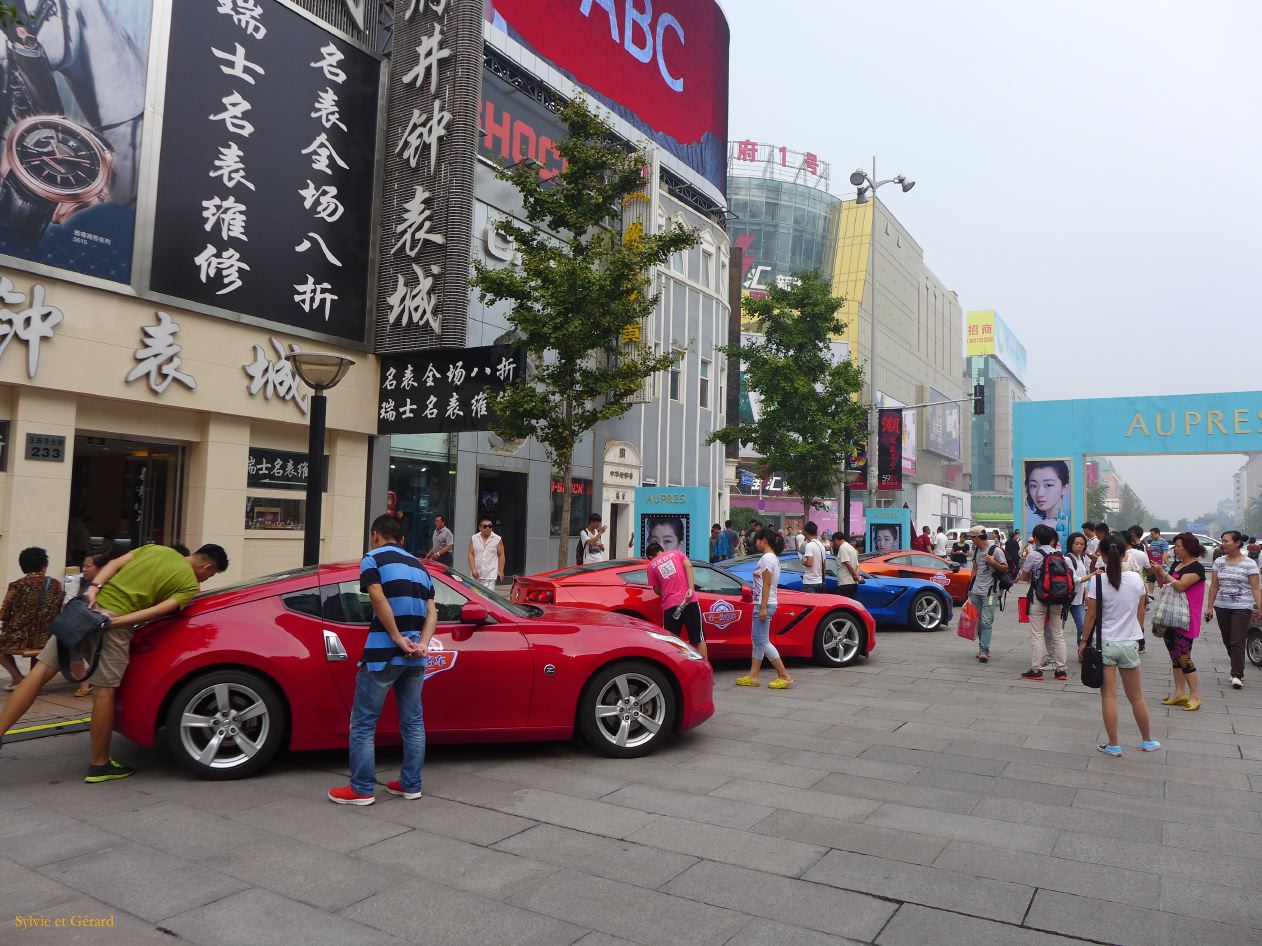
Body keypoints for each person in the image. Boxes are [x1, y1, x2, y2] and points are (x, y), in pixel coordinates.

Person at [0, 543, 228, 781]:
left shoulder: (155, 549)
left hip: (84, 611)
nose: (206, 578)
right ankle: (99, 764)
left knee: (39, 674)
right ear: (207, 566)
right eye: (210, 574)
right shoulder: (189, 585)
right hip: (112, 629)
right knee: (104, 693)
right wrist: (117, 623)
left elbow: (113, 564)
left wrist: (91, 591)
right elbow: (159, 611)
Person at [328, 515, 437, 805]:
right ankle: (410, 784)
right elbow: (432, 612)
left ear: (375, 535)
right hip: (415, 657)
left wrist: (397, 637)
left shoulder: (372, 558)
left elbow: (376, 598)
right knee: (413, 723)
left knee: (363, 723)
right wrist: (422, 644)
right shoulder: (420, 567)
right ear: (402, 540)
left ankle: (361, 789)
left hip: (382, 654)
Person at [1082, 535, 1160, 757]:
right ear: (1126, 554)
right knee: (1137, 697)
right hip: (1129, 642)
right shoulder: (1137, 580)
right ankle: (1147, 741)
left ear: (1102, 556)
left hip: (1105, 643)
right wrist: (1138, 636)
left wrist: (1083, 641)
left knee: (1109, 696)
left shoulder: (1096, 581)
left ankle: (1114, 744)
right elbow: (1140, 612)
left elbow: (1091, 616)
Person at [1151, 533, 1206, 712]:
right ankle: (1179, 692)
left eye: (1179, 546)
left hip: (1186, 618)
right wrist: (1160, 573)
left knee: (1184, 657)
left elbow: (1181, 585)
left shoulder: (1196, 568)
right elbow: (1167, 585)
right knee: (1175, 657)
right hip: (1171, 617)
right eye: (1175, 546)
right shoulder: (1177, 564)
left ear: (1189, 547)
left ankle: (1195, 695)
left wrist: (1164, 573)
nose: (1176, 549)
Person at [1203, 530, 1261, 690]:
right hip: (1222, 606)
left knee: (1237, 640)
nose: (1223, 543)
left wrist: (1260, 607)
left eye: (1226, 541)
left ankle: (1237, 674)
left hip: (1242, 607)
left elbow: (1256, 588)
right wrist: (1209, 607)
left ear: (1237, 543)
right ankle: (1237, 664)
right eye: (1222, 540)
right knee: (1228, 640)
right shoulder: (1219, 562)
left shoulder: (1249, 563)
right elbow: (1214, 585)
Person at [735, 529, 793, 689]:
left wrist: (762, 607)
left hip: (765, 604)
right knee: (757, 641)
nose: (756, 543)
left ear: (764, 540)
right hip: (764, 602)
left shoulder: (767, 558)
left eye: (757, 540)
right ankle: (753, 676)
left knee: (762, 641)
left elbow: (766, 584)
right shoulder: (771, 558)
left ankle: (784, 675)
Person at [0, 548, 63, 692]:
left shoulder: (16, 585)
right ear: (44, 566)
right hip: (47, 637)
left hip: (20, 639)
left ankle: (17, 677)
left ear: (23, 566)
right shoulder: (55, 584)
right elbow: (58, 610)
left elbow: (3, 615)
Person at [1018, 524, 1069, 681]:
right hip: (1057, 598)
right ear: (1052, 539)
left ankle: (1036, 670)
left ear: (1037, 539)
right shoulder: (1060, 555)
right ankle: (1061, 670)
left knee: (1037, 634)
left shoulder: (1033, 555)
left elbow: (1024, 577)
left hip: (1039, 598)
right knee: (1058, 634)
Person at [645, 540, 707, 660]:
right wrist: (690, 588)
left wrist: (668, 591)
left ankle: (675, 668)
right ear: (661, 550)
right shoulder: (677, 553)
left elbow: (657, 589)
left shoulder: (651, 565)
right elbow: (688, 566)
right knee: (698, 638)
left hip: (671, 605)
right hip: (689, 601)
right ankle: (705, 668)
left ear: (650, 557)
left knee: (672, 640)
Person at [966, 526, 1006, 663]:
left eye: (972, 537)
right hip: (976, 591)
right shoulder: (976, 550)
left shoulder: (996, 550)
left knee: (986, 621)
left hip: (990, 592)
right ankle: (981, 647)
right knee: (978, 621)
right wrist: (969, 587)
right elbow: (975, 569)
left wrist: (993, 562)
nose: (971, 540)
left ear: (978, 537)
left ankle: (984, 650)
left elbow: (1005, 567)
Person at [1025, 460, 1071, 538]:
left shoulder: (1067, 524)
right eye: (1033, 485)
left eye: (1048, 485)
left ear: (1065, 488)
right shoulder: (1041, 525)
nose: (1039, 493)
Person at [1062, 532, 1091, 645]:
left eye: (1082, 544)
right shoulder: (1067, 559)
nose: (1079, 546)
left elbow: (1083, 581)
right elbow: (1075, 579)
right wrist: (1092, 575)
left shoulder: (1081, 558)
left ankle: (1082, 651)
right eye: (1077, 544)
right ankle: (1054, 653)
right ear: (1070, 544)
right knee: (1060, 628)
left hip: (1078, 599)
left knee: (1083, 626)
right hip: (1067, 597)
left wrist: (1086, 593)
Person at [800, 522, 827, 595]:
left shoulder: (809, 545)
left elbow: (809, 563)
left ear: (806, 532)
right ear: (816, 532)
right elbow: (824, 565)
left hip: (810, 581)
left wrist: (802, 561)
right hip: (819, 581)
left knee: (809, 604)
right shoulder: (821, 546)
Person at [834, 532, 861, 599]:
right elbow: (857, 565)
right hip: (853, 583)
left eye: (834, 542)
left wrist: (854, 576)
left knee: (843, 606)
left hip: (845, 583)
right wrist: (856, 577)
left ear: (836, 540)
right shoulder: (851, 548)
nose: (834, 545)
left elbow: (847, 563)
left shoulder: (842, 548)